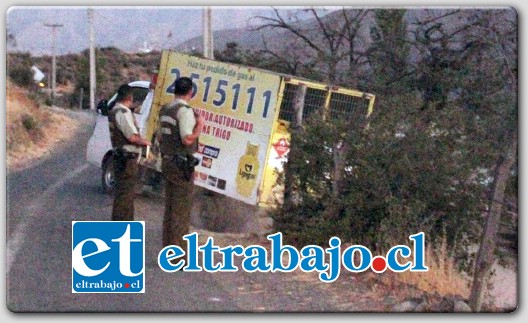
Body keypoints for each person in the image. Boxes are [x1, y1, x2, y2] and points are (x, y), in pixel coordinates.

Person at [158, 77, 204, 252]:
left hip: (168, 161)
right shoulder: (184, 111)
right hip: (181, 165)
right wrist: (199, 125)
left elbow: (160, 137)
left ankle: (168, 250)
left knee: (169, 209)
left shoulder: (165, 109)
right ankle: (178, 256)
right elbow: (187, 139)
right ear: (190, 93)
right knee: (181, 211)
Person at [108, 84, 151, 221]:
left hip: (120, 156)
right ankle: (123, 228)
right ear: (129, 97)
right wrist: (145, 142)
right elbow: (132, 137)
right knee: (125, 197)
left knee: (121, 195)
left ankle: (119, 227)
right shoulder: (123, 113)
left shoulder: (114, 111)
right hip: (127, 159)